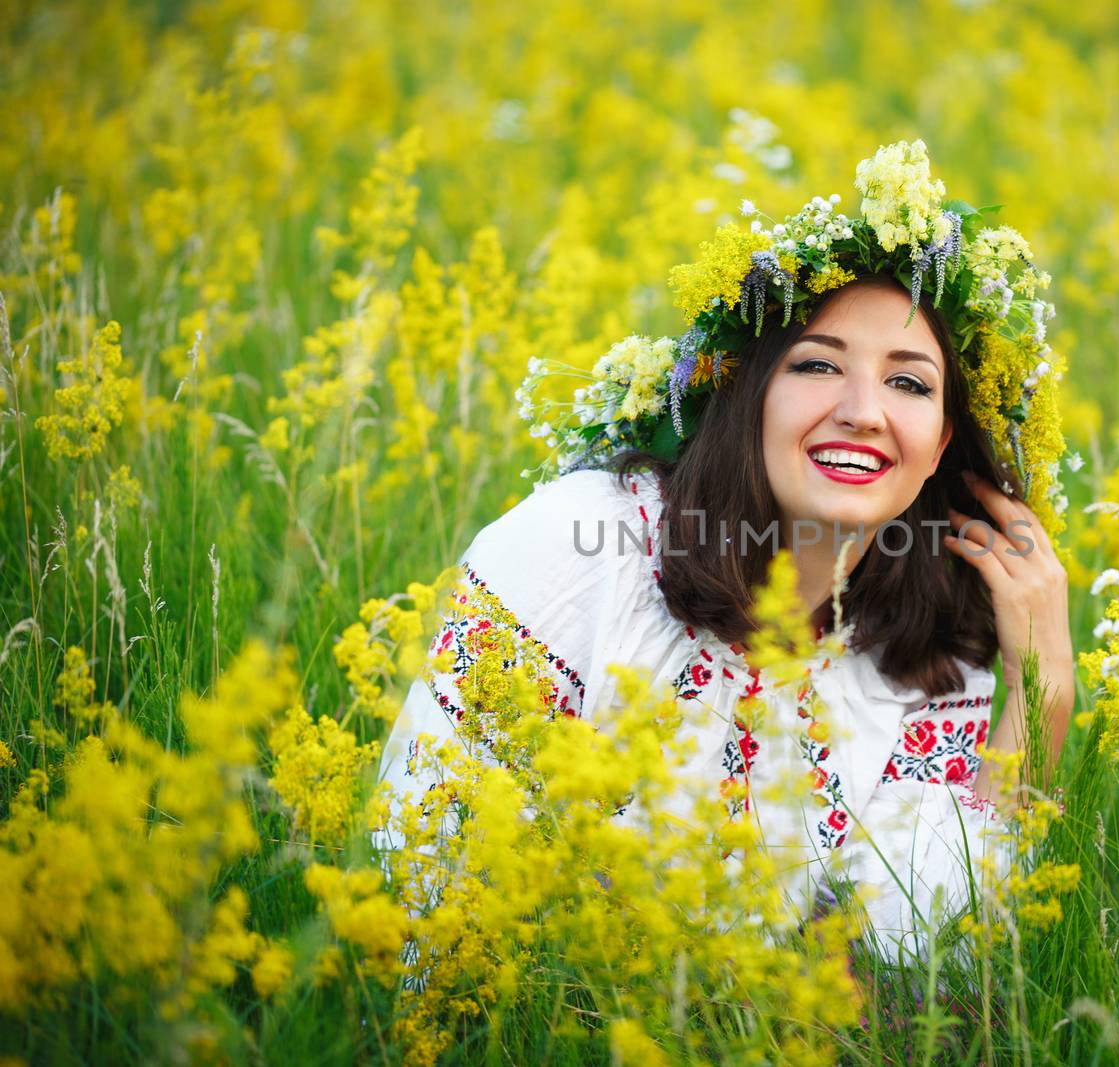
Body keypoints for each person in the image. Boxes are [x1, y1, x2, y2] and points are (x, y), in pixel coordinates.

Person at [373, 140, 1076, 962]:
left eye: (909, 382)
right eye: (818, 364)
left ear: (941, 440)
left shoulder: (936, 647)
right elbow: (426, 873)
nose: (863, 411)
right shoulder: (582, 548)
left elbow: (920, 964)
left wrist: (1043, 693)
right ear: (748, 396)